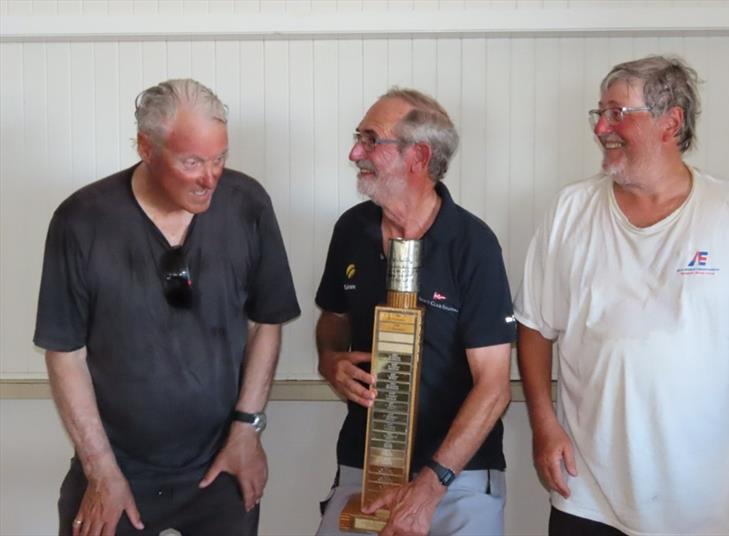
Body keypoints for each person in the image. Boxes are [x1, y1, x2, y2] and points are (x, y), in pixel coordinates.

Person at [514, 55, 729, 535]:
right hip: (588, 497)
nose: (602, 126)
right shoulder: (571, 209)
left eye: (618, 113)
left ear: (672, 121)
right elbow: (533, 327)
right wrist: (545, 426)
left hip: (704, 499)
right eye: (598, 113)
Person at [34, 79, 300, 536]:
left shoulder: (247, 205)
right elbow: (66, 355)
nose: (210, 177)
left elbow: (265, 324)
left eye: (219, 159)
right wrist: (101, 470)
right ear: (147, 148)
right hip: (116, 468)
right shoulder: (81, 221)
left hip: (221, 462)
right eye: (192, 162)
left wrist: (246, 430)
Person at [314, 88, 516, 536]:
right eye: (357, 138)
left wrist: (429, 488)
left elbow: (494, 387)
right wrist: (330, 360)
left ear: (418, 156)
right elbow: (333, 318)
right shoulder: (351, 229)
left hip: (457, 476)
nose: (354, 153)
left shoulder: (473, 245)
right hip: (364, 466)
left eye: (370, 140)